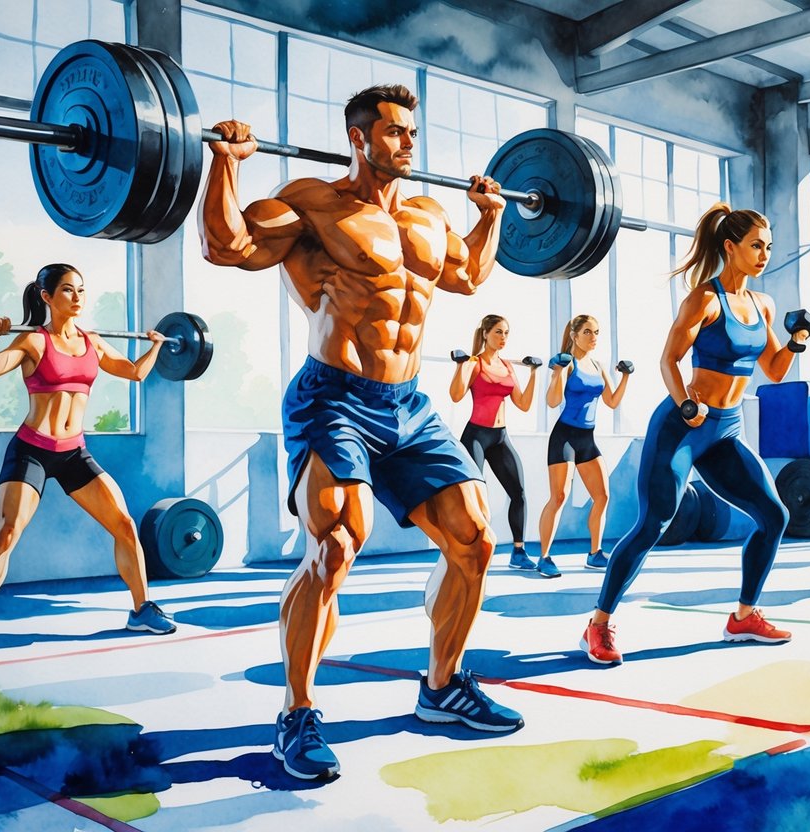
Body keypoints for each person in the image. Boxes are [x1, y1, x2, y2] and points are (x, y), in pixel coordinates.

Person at [198, 84, 522, 781]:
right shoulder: (312, 202)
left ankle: (441, 687)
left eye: (411, 132)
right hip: (334, 397)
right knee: (336, 546)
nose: (408, 142)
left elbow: (467, 276)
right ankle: (298, 713)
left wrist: (489, 216)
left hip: (408, 404)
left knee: (474, 539)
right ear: (359, 136)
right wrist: (224, 164)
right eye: (396, 132)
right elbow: (227, 246)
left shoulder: (431, 214)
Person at [580, 203, 809, 665]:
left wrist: (798, 340)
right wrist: (686, 402)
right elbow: (668, 359)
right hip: (682, 427)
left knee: (774, 515)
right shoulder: (704, 300)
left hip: (726, 431)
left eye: (768, 247)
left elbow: (775, 371)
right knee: (653, 524)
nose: (764, 254)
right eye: (755, 246)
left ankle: (744, 617)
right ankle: (598, 625)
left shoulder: (762, 305)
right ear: (730, 247)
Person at [0, 263, 176, 654]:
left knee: (125, 525)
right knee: (8, 532)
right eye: (67, 291)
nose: (77, 298)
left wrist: (157, 346)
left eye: (81, 290)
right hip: (33, 450)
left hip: (74, 452)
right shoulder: (34, 343)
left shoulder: (92, 341)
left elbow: (134, 373)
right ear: (47, 297)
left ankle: (142, 609)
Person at [534, 315, 630, 578]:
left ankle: (595, 553)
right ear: (574, 335)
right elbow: (552, 402)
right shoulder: (568, 364)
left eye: (596, 332)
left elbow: (611, 402)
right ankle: (543, 557)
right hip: (564, 437)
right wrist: (556, 374)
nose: (593, 337)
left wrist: (625, 377)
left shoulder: (598, 366)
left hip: (587, 439)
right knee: (559, 497)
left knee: (602, 496)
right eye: (587, 332)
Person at [449, 315, 539, 570]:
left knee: (518, 493)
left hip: (500, 437)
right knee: (475, 498)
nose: (503, 338)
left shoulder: (508, 367)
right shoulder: (474, 363)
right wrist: (460, 366)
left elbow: (523, 404)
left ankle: (518, 552)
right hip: (476, 436)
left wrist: (534, 374)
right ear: (486, 333)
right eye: (498, 332)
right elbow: (455, 396)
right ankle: (471, 550)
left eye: (507, 333)